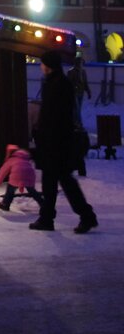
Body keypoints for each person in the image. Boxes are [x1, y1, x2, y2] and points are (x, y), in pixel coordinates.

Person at [30, 50, 98, 233]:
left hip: (56, 144)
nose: (40, 66)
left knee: (62, 183)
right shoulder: (57, 83)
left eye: (42, 63)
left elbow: (55, 117)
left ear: (48, 65)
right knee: (56, 183)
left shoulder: (57, 85)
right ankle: (50, 218)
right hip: (56, 143)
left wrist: (44, 137)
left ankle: (84, 216)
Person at [0, 144, 43, 211]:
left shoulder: (11, 159)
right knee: (32, 191)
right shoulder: (26, 159)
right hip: (29, 176)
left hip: (16, 177)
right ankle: (43, 204)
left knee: (10, 190)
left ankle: (5, 204)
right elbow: (29, 172)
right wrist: (28, 184)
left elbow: (3, 171)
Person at [67, 53, 91, 123]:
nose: (81, 64)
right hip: (74, 92)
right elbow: (69, 83)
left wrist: (88, 91)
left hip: (80, 92)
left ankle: (75, 122)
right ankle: (78, 123)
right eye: (80, 63)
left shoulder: (83, 72)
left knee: (78, 108)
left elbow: (85, 82)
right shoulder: (71, 72)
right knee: (76, 108)